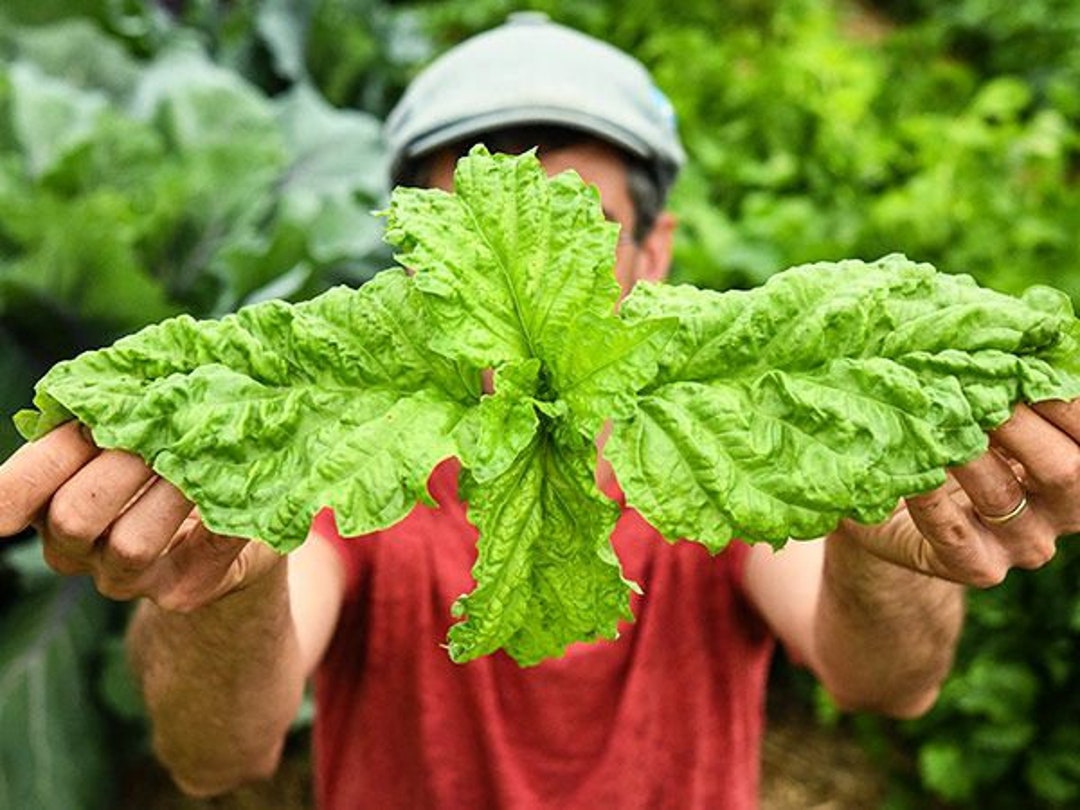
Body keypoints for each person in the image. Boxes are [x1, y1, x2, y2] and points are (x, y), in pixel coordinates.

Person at [1, 12, 1078, 810]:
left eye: (585, 228)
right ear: (420, 265)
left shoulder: (721, 447)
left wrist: (883, 517)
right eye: (482, 234)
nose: (541, 270)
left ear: (655, 251)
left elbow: (884, 684)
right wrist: (226, 578)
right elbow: (214, 755)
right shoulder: (360, 455)